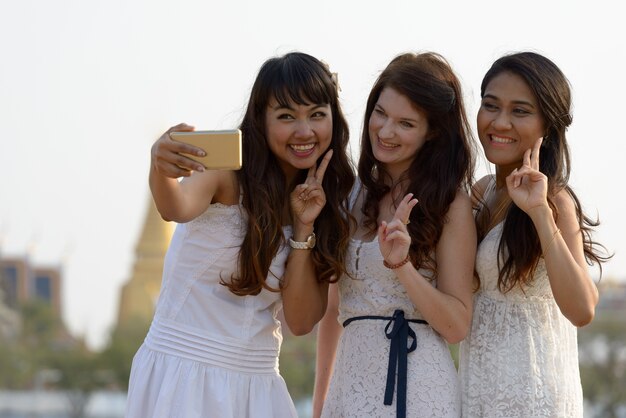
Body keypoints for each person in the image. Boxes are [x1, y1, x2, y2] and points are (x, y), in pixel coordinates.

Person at [124, 52, 355, 418]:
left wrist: (304, 226)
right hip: (185, 377)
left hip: (259, 387)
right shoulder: (225, 173)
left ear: (333, 119)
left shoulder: (328, 199)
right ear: (260, 120)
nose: (304, 131)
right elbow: (176, 207)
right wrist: (161, 167)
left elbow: (300, 322)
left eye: (316, 114)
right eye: (286, 117)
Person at [313, 52, 477, 418]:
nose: (385, 131)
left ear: (432, 131)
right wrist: (320, 404)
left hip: (418, 391)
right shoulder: (348, 196)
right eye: (381, 113)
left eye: (405, 123)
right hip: (348, 390)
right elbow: (332, 311)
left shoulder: (450, 205)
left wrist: (401, 264)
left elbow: (456, 325)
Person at [458, 52, 611, 417]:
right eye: (490, 106)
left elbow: (582, 308)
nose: (500, 122)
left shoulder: (555, 199)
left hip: (533, 394)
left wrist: (539, 213)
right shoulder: (479, 193)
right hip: (477, 390)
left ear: (548, 125)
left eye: (520, 111)